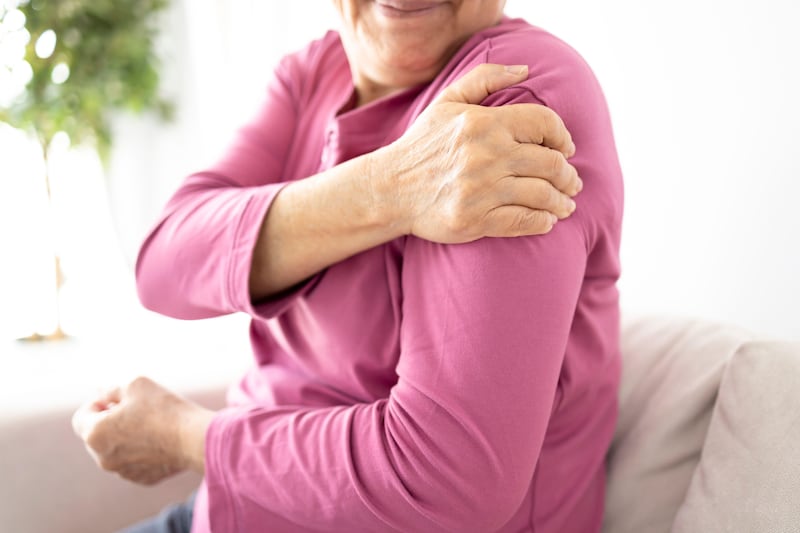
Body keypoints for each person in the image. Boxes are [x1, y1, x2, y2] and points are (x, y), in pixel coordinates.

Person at [72, 1, 623, 531]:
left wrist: (184, 435)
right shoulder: (315, 71)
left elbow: (444, 478)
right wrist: (389, 188)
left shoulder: (509, 102)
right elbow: (164, 266)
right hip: (224, 511)